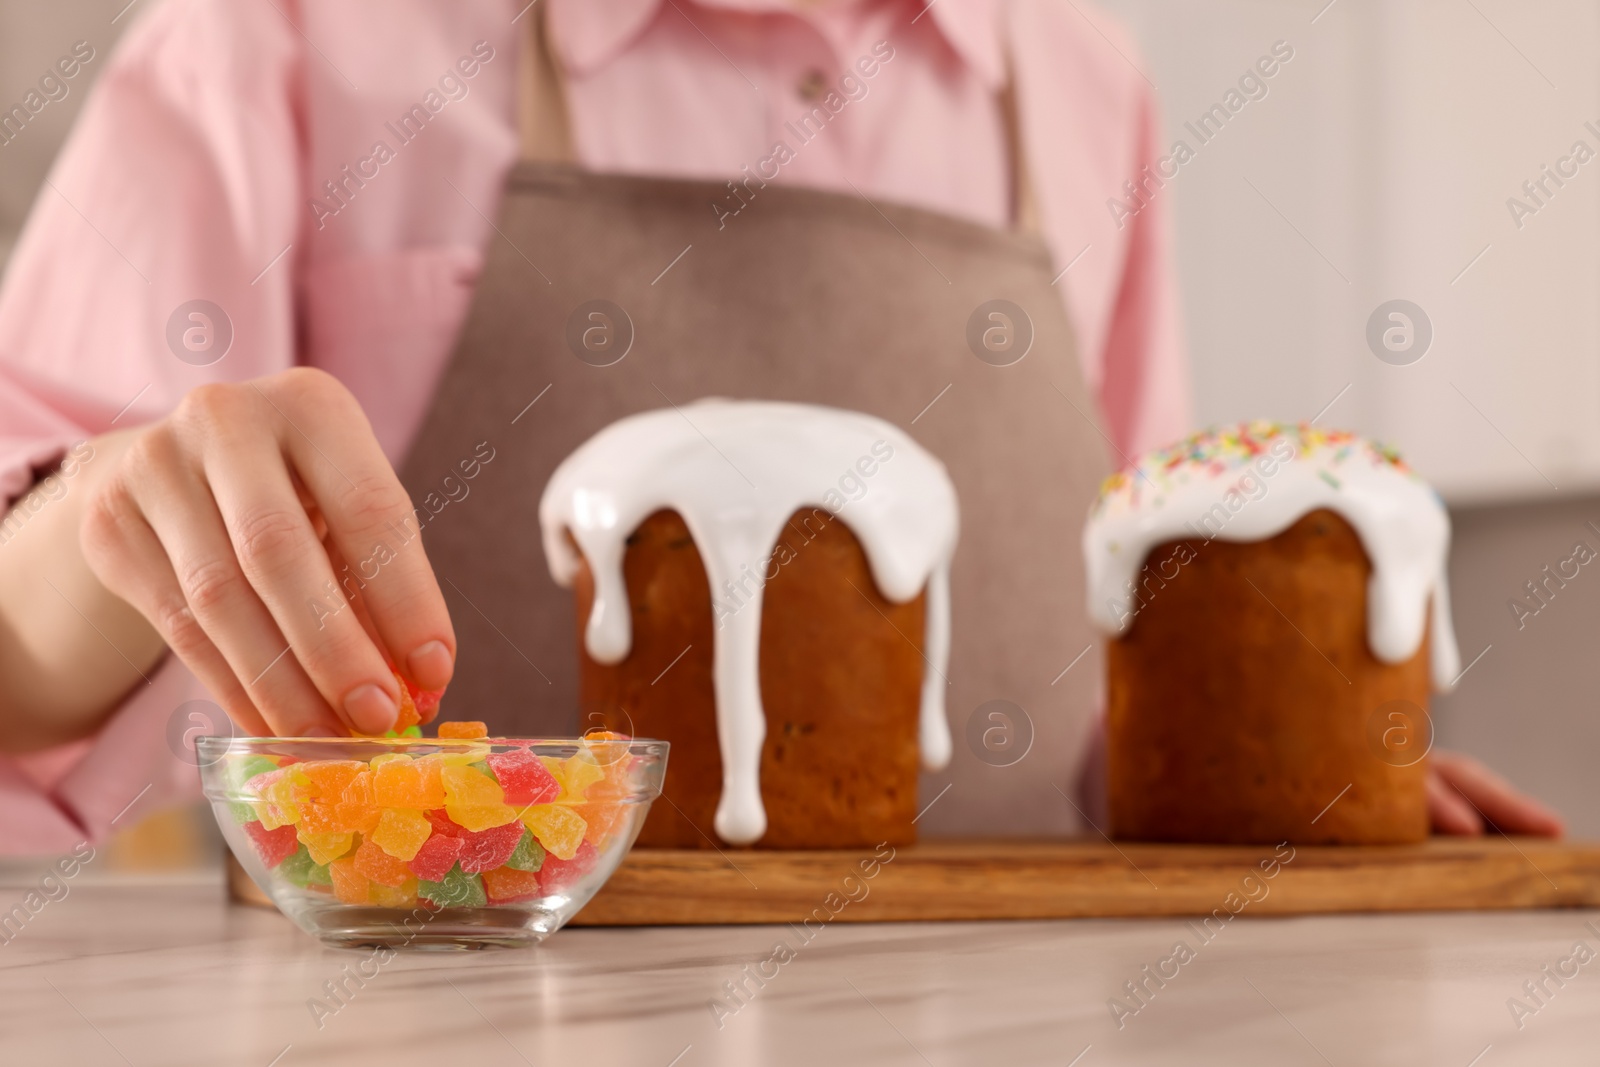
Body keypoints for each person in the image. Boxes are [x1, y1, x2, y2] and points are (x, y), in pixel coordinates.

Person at [0, 0, 1560, 850]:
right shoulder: (280, 37)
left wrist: (1257, 766)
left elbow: (1103, 673)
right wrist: (110, 522)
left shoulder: (1087, 76)